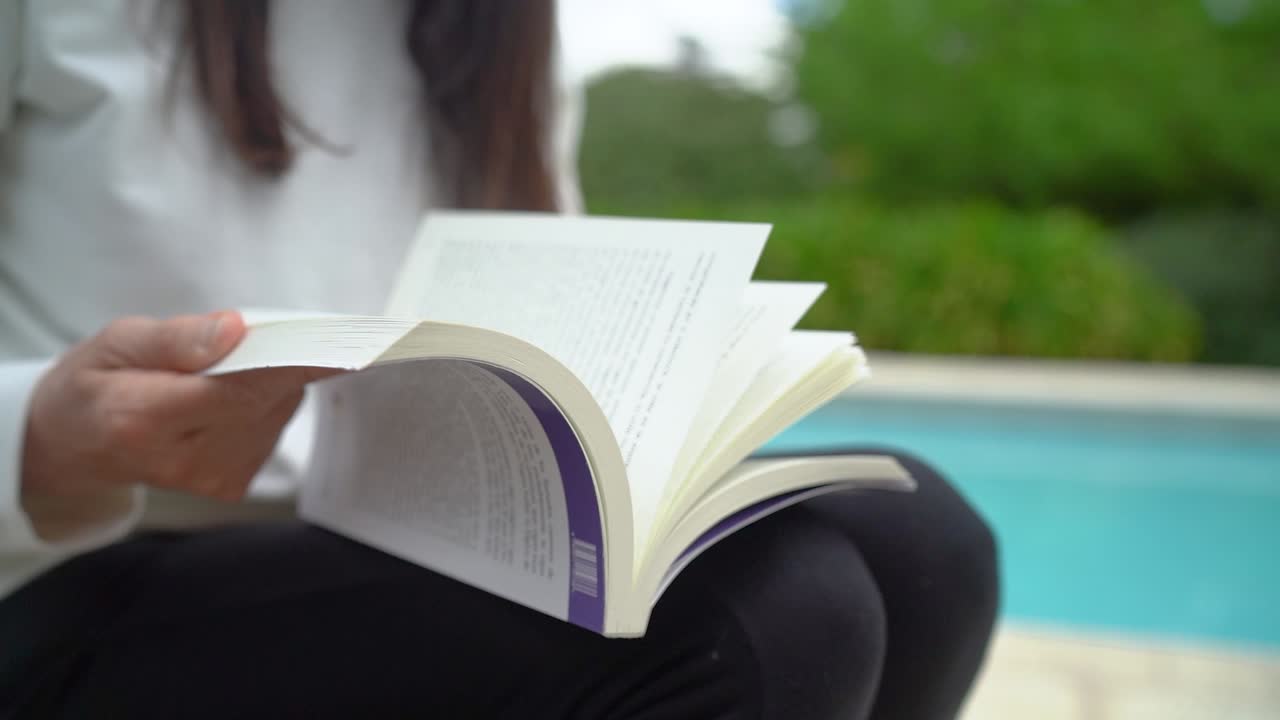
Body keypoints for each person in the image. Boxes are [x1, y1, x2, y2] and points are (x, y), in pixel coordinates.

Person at [0, 2, 999, 717]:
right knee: (767, 616)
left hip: (385, 536)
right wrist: (44, 435)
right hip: (64, 575)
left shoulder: (502, 27)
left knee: (924, 537)